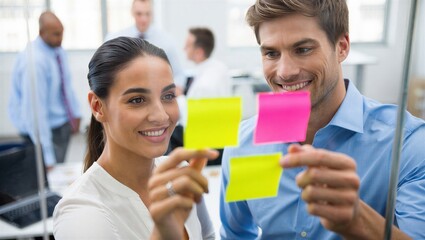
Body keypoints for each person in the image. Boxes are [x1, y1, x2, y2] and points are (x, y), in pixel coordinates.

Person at [219, 0, 425, 239]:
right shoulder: (244, 144)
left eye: (303, 49)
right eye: (271, 53)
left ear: (342, 47)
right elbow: (237, 235)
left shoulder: (407, 144)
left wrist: (360, 220)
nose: (285, 71)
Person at [53, 37, 218, 239]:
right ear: (98, 106)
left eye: (168, 96)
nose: (161, 116)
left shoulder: (179, 174)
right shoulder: (81, 213)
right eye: (137, 100)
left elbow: (207, 235)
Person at [8, 11, 81, 168]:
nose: (61, 39)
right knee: (47, 175)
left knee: (59, 173)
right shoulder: (34, 62)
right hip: (40, 131)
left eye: (62, 33)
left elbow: (66, 85)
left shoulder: (57, 50)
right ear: (41, 33)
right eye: (56, 34)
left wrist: (75, 113)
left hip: (60, 125)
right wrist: (46, 156)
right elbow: (35, 112)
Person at [168, 27, 232, 165]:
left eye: (187, 45)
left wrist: (177, 97)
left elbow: (192, 116)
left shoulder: (205, 83)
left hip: (206, 141)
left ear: (199, 51)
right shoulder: (217, 67)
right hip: (218, 137)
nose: (184, 48)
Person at [105, 0, 186, 88]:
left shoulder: (166, 40)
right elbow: (107, 71)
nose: (144, 19)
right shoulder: (116, 39)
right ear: (132, 12)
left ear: (153, 13)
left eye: (147, 14)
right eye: (139, 14)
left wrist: (176, 89)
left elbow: (179, 74)